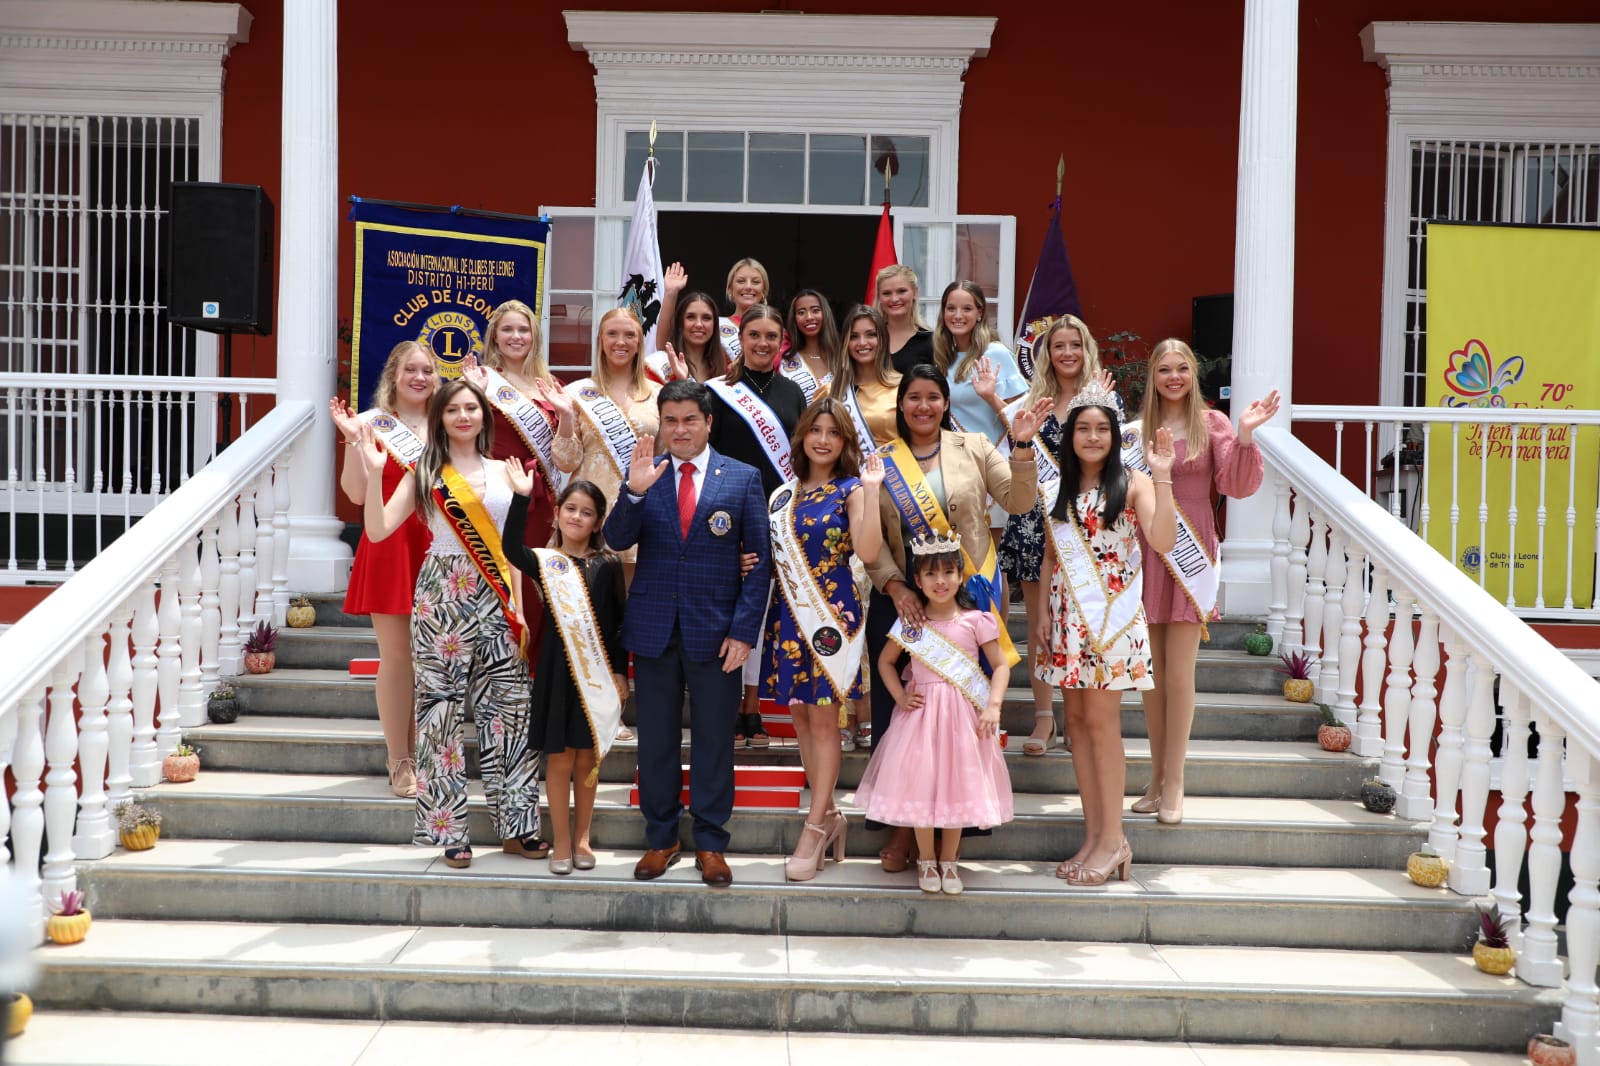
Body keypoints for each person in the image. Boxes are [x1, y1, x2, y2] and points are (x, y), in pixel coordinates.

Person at [864, 364, 1049, 870]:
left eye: (933, 397)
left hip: (967, 599)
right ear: (900, 405)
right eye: (914, 398)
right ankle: (904, 827)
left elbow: (1020, 499)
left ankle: (958, 827)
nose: (923, 406)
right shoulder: (882, 461)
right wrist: (896, 584)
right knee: (904, 722)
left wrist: (1022, 446)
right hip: (905, 599)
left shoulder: (975, 447)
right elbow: (872, 541)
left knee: (963, 725)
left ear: (946, 402)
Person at [357, 378, 545, 869]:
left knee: (510, 712)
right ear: (440, 418)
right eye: (453, 410)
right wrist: (376, 473)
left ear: (484, 416)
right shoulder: (425, 471)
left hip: (498, 597)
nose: (464, 416)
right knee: (440, 714)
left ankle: (518, 826)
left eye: (472, 408)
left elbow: (513, 551)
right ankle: (450, 833)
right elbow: (377, 529)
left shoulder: (506, 472)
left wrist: (519, 607)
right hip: (442, 595)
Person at [604, 379, 771, 889]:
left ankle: (711, 843)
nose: (679, 430)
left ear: (708, 424)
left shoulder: (741, 478)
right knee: (656, 739)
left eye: (689, 420)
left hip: (717, 632)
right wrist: (632, 491)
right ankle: (661, 838)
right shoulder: (645, 476)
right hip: (654, 629)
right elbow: (615, 539)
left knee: (715, 740)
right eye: (670, 421)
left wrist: (744, 632)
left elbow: (760, 562)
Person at [1035, 379, 1176, 886]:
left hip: (1111, 621)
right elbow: (1053, 553)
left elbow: (1162, 540)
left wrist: (1163, 477)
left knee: (1101, 725)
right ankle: (1095, 836)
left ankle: (1114, 840)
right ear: (1070, 434)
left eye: (1102, 429)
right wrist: (1045, 619)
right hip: (1068, 619)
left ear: (1115, 435)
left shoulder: (1134, 482)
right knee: (1076, 727)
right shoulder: (1059, 487)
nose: (1093, 437)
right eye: (1083, 428)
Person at [1131, 339, 1278, 825]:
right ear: (1152, 377)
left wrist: (1247, 434)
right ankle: (1155, 777)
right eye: (1164, 370)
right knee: (1150, 675)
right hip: (1148, 548)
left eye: (1182, 369)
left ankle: (1176, 780)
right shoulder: (1139, 430)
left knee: (1180, 674)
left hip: (1192, 552)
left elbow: (1236, 485)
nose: (1174, 377)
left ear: (1193, 374)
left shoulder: (1211, 424)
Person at [761, 399, 884, 880]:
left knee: (825, 721)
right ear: (803, 437)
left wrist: (872, 493)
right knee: (799, 715)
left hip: (832, 616)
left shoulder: (851, 489)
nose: (824, 439)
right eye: (816, 430)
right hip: (790, 613)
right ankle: (830, 814)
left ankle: (814, 827)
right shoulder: (782, 495)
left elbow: (870, 551)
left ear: (845, 442)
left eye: (834, 432)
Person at [855, 532, 1013, 895]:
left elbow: (1001, 666)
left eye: (947, 572)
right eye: (930, 574)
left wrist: (993, 705)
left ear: (960, 575)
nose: (939, 581)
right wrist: (900, 696)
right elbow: (885, 662)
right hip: (921, 718)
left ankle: (949, 861)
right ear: (918, 580)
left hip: (964, 720)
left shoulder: (977, 620)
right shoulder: (913, 622)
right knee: (921, 787)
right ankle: (926, 860)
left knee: (959, 785)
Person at [997, 315, 1117, 756]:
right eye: (1058, 346)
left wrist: (1106, 407)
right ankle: (1044, 717)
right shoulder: (1032, 399)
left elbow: (1117, 461)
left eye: (1074, 345)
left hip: (1086, 528)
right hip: (1035, 523)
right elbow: (1019, 455)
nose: (1066, 353)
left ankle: (1078, 716)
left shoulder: (1103, 398)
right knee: (1040, 625)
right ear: (1045, 354)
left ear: (1086, 350)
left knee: (1084, 620)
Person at [502, 475, 627, 876]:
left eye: (587, 512)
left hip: (596, 677)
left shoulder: (608, 565)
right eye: (570, 508)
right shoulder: (543, 561)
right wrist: (522, 498)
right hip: (556, 674)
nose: (577, 516)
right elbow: (507, 549)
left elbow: (618, 625)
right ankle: (559, 841)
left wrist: (621, 673)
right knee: (559, 761)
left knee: (588, 758)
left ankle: (582, 838)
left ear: (598, 521)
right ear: (557, 514)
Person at [329, 340, 436, 797]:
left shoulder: (448, 421)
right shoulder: (373, 424)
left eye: (428, 370)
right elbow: (354, 493)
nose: (419, 377)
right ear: (394, 374)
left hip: (440, 545)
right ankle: (400, 760)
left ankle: (431, 753)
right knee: (397, 657)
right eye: (410, 369)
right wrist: (355, 442)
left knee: (433, 658)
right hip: (390, 542)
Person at [706, 304, 808, 748]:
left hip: (777, 515)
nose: (762, 344)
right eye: (754, 336)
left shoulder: (792, 394)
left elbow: (802, 458)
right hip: (727, 517)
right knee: (729, 611)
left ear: (781, 340)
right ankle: (726, 705)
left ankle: (754, 706)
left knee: (762, 612)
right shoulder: (718, 392)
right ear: (740, 339)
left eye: (771, 336)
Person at [826, 303, 902, 751]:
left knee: (876, 613)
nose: (863, 344)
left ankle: (870, 712)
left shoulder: (900, 388)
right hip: (847, 506)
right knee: (844, 608)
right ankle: (843, 709)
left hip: (897, 507)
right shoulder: (831, 391)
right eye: (855, 336)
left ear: (882, 339)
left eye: (870, 335)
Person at [475, 299, 563, 659]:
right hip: (501, 495)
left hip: (544, 500)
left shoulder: (550, 384)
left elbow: (562, 447)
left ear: (534, 336)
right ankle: (502, 675)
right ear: (495, 336)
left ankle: (535, 676)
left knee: (539, 586)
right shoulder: (482, 380)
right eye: (508, 329)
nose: (516, 336)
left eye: (523, 329)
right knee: (504, 585)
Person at [551, 306, 662, 583]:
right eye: (612, 334)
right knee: (587, 605)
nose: (620, 342)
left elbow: (666, 457)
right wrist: (565, 416)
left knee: (631, 606)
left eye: (629, 335)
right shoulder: (576, 393)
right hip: (588, 514)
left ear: (639, 343)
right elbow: (566, 461)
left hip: (638, 511)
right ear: (600, 340)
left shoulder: (659, 394)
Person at [874, 264, 934, 374]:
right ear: (879, 297)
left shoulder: (931, 341)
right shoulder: (869, 337)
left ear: (915, 292)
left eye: (901, 291)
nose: (894, 299)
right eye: (886, 293)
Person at [781, 288, 837, 402]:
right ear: (794, 319)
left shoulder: (842, 357)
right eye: (801, 312)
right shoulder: (784, 360)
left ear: (825, 313)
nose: (809, 317)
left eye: (815, 310)